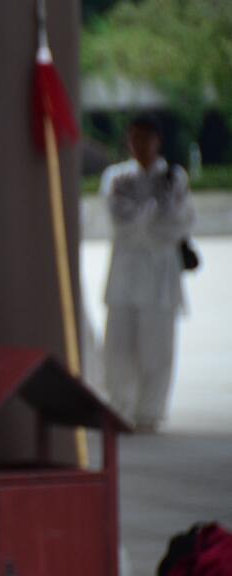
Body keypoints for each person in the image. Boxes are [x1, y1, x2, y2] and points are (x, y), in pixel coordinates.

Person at [100, 114, 195, 431]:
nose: (140, 145)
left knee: (157, 349)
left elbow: (179, 223)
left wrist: (144, 218)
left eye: (146, 138)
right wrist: (153, 216)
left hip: (160, 279)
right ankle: (120, 408)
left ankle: (150, 412)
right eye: (134, 138)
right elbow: (119, 223)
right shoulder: (116, 177)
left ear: (158, 140)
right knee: (119, 348)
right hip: (125, 277)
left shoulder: (174, 176)